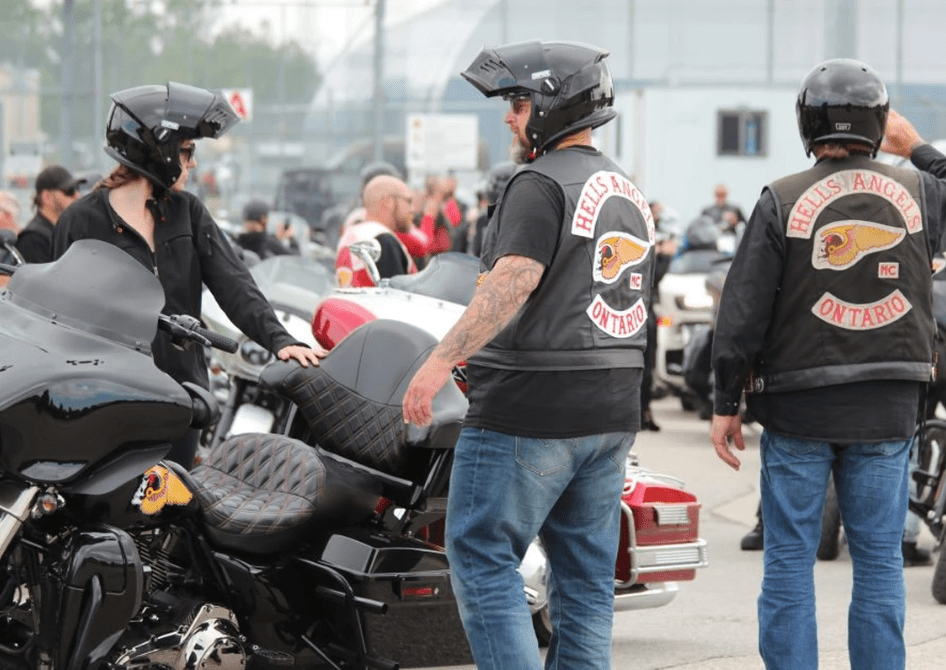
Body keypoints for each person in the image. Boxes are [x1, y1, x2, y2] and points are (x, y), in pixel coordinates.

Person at [402, 40, 654, 670]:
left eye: (518, 102)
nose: (510, 116)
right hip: (612, 403)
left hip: (530, 407)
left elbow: (512, 279)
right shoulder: (625, 187)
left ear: (552, 102)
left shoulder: (537, 182)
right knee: (587, 582)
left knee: (483, 557)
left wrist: (440, 361)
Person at [710, 59, 946, 670]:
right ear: (878, 122)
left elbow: (742, 311)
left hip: (796, 405)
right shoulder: (924, 195)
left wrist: (724, 402)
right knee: (877, 564)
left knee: (788, 559)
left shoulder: (780, 198)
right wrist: (916, 146)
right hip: (889, 406)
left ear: (806, 121)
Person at [52, 82, 324, 467]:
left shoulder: (188, 212)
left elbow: (235, 284)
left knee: (173, 506)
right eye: (187, 151)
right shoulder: (81, 221)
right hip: (106, 398)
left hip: (181, 396)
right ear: (157, 149)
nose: (193, 163)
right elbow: (56, 313)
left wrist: (280, 340)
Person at [335, 174, 417, 287]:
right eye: (408, 201)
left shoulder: (351, 233)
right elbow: (398, 300)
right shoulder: (383, 241)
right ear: (388, 201)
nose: (413, 209)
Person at [16, 165, 83, 263]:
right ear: (47, 197)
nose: (77, 195)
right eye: (70, 190)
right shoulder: (32, 238)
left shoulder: (65, 232)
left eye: (77, 189)